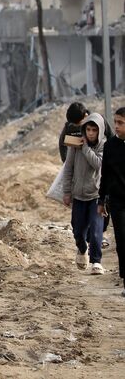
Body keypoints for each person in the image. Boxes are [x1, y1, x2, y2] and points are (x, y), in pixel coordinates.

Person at [62, 112, 106, 275]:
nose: (91, 133)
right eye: (88, 129)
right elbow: (68, 168)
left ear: (99, 131)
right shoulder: (75, 145)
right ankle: (82, 249)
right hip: (78, 195)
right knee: (78, 230)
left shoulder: (103, 145)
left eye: (94, 130)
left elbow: (98, 164)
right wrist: (67, 192)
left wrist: (86, 147)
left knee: (95, 230)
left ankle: (96, 261)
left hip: (96, 195)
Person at [100, 107, 125, 295]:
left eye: (120, 123)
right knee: (122, 242)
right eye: (115, 122)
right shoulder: (110, 146)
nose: (116, 126)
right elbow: (105, 176)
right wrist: (101, 201)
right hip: (118, 203)